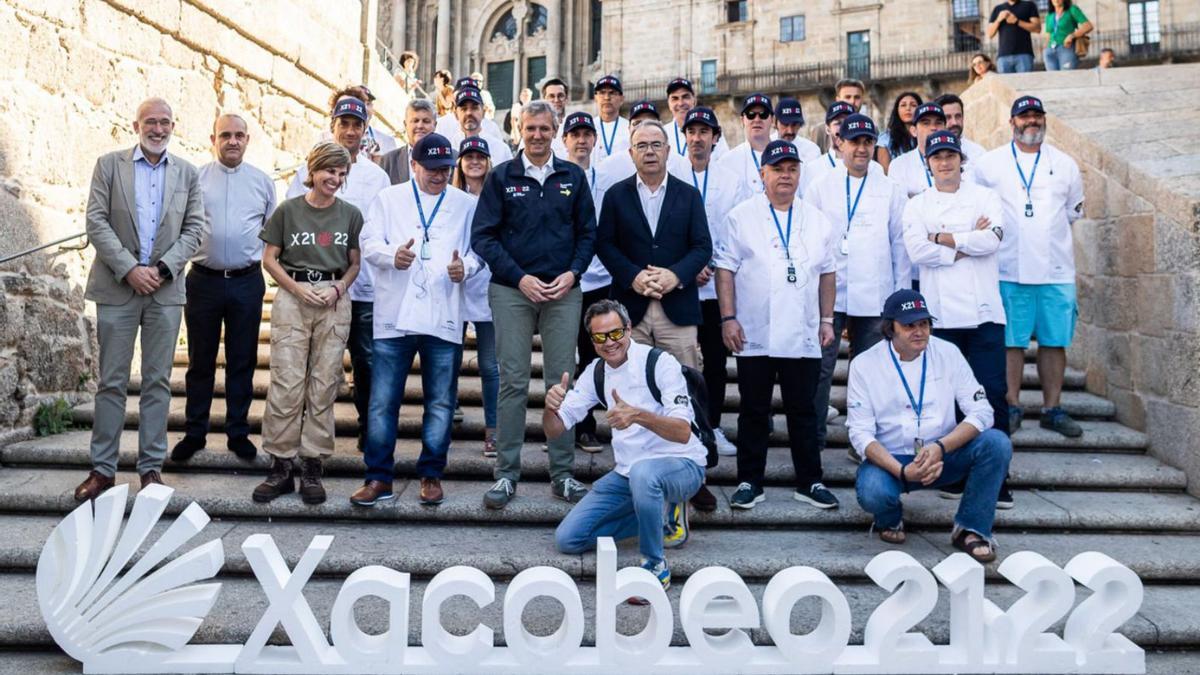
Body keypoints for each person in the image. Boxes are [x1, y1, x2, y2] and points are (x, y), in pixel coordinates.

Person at [74, 97, 207, 502]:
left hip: (165, 292)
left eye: (165, 122)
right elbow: (95, 220)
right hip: (117, 287)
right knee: (111, 381)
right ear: (136, 125)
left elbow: (195, 228)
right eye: (151, 122)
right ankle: (102, 470)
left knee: (157, 382)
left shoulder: (187, 173)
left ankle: (151, 470)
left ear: (173, 126)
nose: (158, 129)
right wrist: (129, 268)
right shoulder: (109, 165)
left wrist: (163, 269)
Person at [471, 99, 597, 509]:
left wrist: (574, 273)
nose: (538, 135)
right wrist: (519, 277)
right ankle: (506, 474)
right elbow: (483, 237)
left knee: (564, 384)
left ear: (556, 131)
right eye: (531, 129)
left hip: (562, 291)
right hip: (512, 290)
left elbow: (588, 234)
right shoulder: (501, 177)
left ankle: (562, 475)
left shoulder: (573, 177)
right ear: (518, 131)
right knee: (513, 381)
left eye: (545, 128)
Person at [351, 134, 481, 508]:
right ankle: (378, 478)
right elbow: (368, 243)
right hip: (395, 315)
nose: (439, 176)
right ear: (413, 165)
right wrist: (393, 255)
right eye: (432, 169)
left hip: (443, 315)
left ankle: (431, 474)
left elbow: (477, 252)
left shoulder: (465, 204)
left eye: (445, 169)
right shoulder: (388, 199)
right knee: (382, 402)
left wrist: (464, 267)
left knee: (441, 402)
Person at [550, 299, 707, 595]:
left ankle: (654, 564)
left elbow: (683, 432)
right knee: (568, 539)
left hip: (682, 465)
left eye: (616, 333)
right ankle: (661, 518)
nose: (609, 342)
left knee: (645, 473)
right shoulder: (595, 371)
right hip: (628, 474)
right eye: (600, 337)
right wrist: (550, 408)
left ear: (629, 329)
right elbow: (556, 427)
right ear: (592, 341)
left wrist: (638, 415)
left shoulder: (659, 363)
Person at [715, 140, 839, 511]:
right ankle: (749, 481)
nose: (785, 176)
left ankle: (810, 481)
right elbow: (725, 270)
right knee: (754, 410)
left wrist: (828, 319)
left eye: (792, 169)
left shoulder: (817, 220)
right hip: (754, 329)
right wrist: (728, 317)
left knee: (804, 409)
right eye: (777, 169)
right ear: (762, 174)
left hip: (802, 330)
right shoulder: (741, 215)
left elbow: (828, 274)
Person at [849, 289, 1013, 562]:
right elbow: (859, 433)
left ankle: (971, 529)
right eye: (909, 325)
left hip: (943, 454)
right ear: (890, 329)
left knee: (996, 443)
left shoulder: (948, 352)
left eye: (924, 324)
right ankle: (890, 519)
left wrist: (940, 447)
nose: (919, 331)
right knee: (872, 491)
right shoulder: (864, 365)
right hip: (893, 460)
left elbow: (982, 411)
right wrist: (902, 470)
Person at [903, 130, 1014, 509]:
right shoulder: (918, 204)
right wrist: (966, 241)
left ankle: (998, 477)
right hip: (942, 314)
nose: (944, 162)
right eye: (937, 157)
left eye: (951, 156)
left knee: (992, 393)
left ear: (960, 159)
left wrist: (945, 237)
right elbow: (917, 250)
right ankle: (956, 471)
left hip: (984, 312)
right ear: (928, 163)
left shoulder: (985, 196)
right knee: (948, 397)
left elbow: (993, 240)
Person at [254, 142, 362, 505]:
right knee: (286, 382)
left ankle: (312, 464)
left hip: (333, 298)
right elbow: (270, 259)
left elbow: (354, 263)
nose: (335, 178)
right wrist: (297, 289)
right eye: (329, 171)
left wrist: (339, 288)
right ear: (313, 171)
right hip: (293, 295)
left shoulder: (350, 215)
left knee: (323, 383)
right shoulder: (288, 212)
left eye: (341, 173)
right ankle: (281, 464)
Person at [974, 95, 1085, 438]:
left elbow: (1072, 211)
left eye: (1037, 116)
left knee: (1055, 340)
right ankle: (1011, 405)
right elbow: (979, 210)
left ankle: (1052, 408)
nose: (1032, 121)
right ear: (1012, 123)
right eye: (1025, 116)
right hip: (1009, 267)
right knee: (1012, 341)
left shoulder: (1065, 164)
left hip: (1056, 269)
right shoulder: (989, 164)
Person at [172, 113, 276, 464]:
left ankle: (238, 432)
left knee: (242, 359)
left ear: (248, 140)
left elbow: (271, 232)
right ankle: (195, 432)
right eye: (225, 135)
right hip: (203, 280)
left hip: (247, 281)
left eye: (239, 135)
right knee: (200, 360)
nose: (233, 141)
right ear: (213, 139)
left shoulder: (262, 182)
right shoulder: (195, 179)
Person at [288, 97, 391, 452]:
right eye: (343, 123)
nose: (350, 131)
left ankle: (369, 427)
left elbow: (380, 229)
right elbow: (291, 218)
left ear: (365, 130)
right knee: (313, 363)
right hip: (315, 287)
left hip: (361, 289)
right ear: (332, 125)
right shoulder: (310, 168)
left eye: (356, 125)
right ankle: (305, 431)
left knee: (366, 361)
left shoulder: (377, 176)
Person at [806, 113, 910, 460]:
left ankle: (862, 442)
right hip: (829, 294)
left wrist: (899, 294)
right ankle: (813, 438)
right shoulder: (821, 185)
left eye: (868, 142)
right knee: (820, 368)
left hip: (875, 292)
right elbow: (810, 239)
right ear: (840, 144)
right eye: (855, 142)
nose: (862, 149)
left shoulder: (889, 188)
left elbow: (899, 244)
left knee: (868, 371)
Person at [597, 120, 711, 371]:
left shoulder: (689, 195)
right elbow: (604, 244)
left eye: (656, 145)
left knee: (683, 385)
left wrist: (676, 275)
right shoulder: (615, 195)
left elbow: (702, 246)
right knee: (630, 386)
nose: (649, 151)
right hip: (629, 309)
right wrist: (633, 276)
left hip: (677, 307)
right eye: (642, 145)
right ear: (631, 153)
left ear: (668, 151)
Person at [667, 106, 747, 464]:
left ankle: (711, 424)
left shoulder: (732, 179)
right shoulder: (672, 173)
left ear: (716, 137)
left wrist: (712, 265)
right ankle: (679, 423)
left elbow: (737, 229)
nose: (697, 138)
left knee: (715, 361)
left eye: (704, 132)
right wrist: (688, 267)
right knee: (678, 360)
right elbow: (663, 228)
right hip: (680, 283)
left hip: (717, 285)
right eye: (691, 132)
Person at [562, 111, 611, 454]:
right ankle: (576, 424)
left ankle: (594, 422)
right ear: (564, 141)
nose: (581, 140)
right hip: (569, 280)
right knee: (570, 356)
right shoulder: (558, 179)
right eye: (574, 134)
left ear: (595, 140)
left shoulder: (607, 180)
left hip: (603, 279)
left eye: (587, 134)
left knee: (599, 355)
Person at [452, 137, 500, 458]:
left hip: (487, 285)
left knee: (489, 364)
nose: (474, 161)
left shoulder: (498, 197)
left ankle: (493, 430)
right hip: (454, 284)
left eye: (480, 156)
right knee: (449, 359)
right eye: (468, 156)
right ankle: (445, 415)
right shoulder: (450, 197)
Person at [595, 100, 690, 183]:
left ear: (661, 127)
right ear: (629, 128)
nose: (643, 128)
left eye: (650, 122)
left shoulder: (679, 164)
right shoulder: (610, 166)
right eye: (637, 123)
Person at [717, 93, 779, 195]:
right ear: (742, 120)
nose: (757, 119)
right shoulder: (727, 162)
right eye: (751, 114)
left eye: (763, 114)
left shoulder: (785, 158)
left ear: (772, 120)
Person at [888, 102, 950, 199]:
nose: (933, 128)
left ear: (945, 129)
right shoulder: (899, 165)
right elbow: (899, 208)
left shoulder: (958, 162)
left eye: (938, 123)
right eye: (926, 123)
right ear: (914, 131)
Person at [663, 77, 729, 162]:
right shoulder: (662, 134)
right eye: (675, 98)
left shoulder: (711, 130)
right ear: (668, 103)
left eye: (685, 97)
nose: (680, 103)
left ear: (694, 100)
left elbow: (724, 163)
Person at [799, 101, 856, 197]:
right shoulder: (813, 169)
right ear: (827, 129)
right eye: (838, 123)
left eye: (848, 123)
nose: (843, 128)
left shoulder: (869, 167)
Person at [444, 86, 514, 164]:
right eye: (464, 109)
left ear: (483, 112)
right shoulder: (448, 149)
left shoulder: (500, 149)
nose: (469, 113)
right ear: (456, 114)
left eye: (474, 108)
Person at [378, 98, 438, 186]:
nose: (420, 126)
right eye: (415, 121)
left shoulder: (451, 159)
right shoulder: (388, 161)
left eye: (426, 121)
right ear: (405, 125)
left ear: (435, 125)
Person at [987, 0, 1042, 74]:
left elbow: (1037, 28)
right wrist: (998, 20)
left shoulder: (1029, 5)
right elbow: (990, 34)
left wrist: (1017, 21)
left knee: (1025, 84)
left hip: (1024, 54)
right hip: (1003, 56)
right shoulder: (998, 9)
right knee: (1005, 85)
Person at [813, 79, 867, 153]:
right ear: (838, 99)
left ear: (862, 99)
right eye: (847, 97)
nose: (852, 101)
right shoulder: (820, 131)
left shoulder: (871, 128)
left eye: (857, 97)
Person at [875, 92, 922, 172]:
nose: (908, 108)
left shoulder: (925, 136)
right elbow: (885, 173)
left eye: (913, 105)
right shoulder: (885, 139)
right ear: (897, 110)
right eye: (903, 105)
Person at [591, 74, 631, 165]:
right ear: (595, 98)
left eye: (612, 93)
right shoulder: (588, 127)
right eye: (602, 93)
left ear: (621, 99)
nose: (607, 98)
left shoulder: (629, 128)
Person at [934, 94, 987, 163]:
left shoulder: (978, 154)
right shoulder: (926, 154)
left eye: (958, 116)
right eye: (948, 117)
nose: (954, 123)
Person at [1043, 0, 1092, 71]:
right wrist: (1047, 47)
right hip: (1050, 50)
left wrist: (1072, 36)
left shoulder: (1072, 9)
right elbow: (1048, 33)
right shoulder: (1049, 15)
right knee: (1052, 79)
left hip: (1066, 49)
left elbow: (1088, 26)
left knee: (1066, 78)